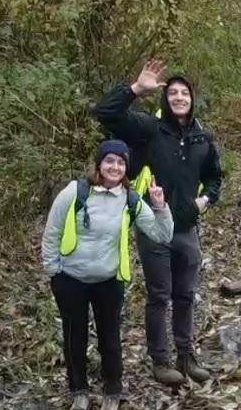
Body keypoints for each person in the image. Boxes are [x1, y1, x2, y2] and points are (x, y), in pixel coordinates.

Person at [94, 60, 224, 386]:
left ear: (193, 100)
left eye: (185, 93)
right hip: (153, 227)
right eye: (173, 93)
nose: (179, 97)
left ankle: (186, 355)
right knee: (160, 295)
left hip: (188, 228)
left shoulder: (201, 138)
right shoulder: (150, 131)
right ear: (165, 100)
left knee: (186, 295)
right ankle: (161, 360)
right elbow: (105, 112)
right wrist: (136, 89)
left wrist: (205, 200)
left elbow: (214, 176)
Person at [41, 139, 175, 410]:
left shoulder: (130, 200)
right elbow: (52, 232)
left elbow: (162, 235)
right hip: (71, 279)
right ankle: (78, 392)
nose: (115, 167)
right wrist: (53, 271)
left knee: (110, 339)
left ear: (126, 168)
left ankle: (112, 393)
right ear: (99, 164)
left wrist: (161, 207)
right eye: (109, 161)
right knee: (73, 337)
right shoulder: (74, 192)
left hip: (108, 281)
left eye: (121, 162)